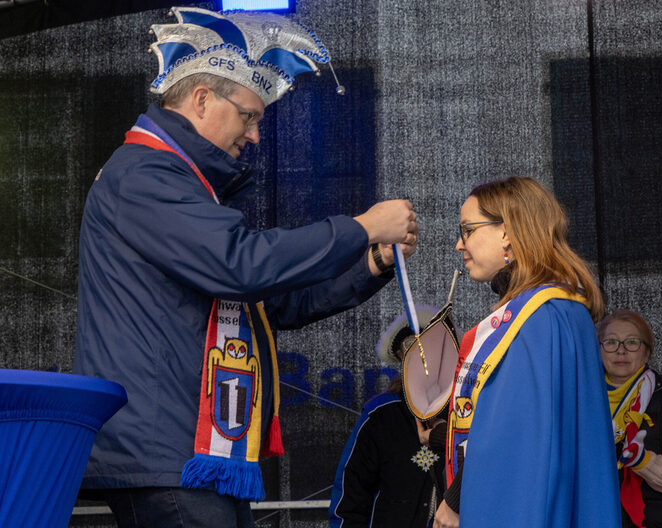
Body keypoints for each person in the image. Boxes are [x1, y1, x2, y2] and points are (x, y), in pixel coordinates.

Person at [72, 8, 417, 527]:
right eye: (249, 116)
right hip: (167, 454)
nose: (255, 135)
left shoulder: (183, 184)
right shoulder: (145, 174)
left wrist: (369, 262)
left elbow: (273, 301)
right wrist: (361, 227)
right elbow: (243, 266)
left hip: (190, 457)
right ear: (202, 99)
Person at [430, 176, 621, 527]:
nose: (460, 244)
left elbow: (513, 439)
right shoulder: (554, 310)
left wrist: (457, 499)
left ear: (507, 232)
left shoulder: (539, 317)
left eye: (468, 229)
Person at [329, 307, 443, 528]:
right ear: (401, 360)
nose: (423, 361)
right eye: (411, 352)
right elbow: (349, 495)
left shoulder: (464, 416)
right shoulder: (379, 416)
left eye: (431, 350)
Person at [597, 309, 662, 527]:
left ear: (647, 352)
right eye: (611, 342)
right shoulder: (582, 399)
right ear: (598, 350)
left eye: (632, 342)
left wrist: (644, 461)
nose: (621, 351)